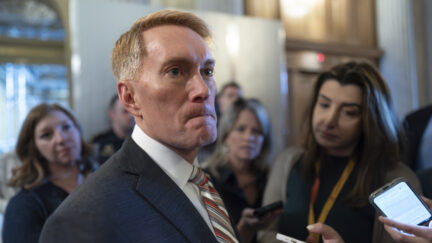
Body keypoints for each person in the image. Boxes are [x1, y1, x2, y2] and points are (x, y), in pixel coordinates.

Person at [40, 10, 241, 243]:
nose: (204, 90)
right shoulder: (83, 219)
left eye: (207, 71)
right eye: (175, 71)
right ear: (130, 97)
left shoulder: (203, 182)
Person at [259, 61, 420, 243]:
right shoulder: (288, 161)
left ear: (371, 120)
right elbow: (264, 233)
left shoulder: (396, 179)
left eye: (349, 112)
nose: (329, 120)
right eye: (324, 105)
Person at [2, 104, 96, 243]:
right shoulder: (24, 205)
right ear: (33, 147)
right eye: (46, 135)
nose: (61, 139)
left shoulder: (106, 177)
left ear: (77, 130)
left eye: (66, 127)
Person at [203, 98, 278, 243]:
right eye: (241, 129)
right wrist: (245, 227)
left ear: (264, 140)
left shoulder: (270, 177)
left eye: (256, 131)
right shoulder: (206, 180)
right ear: (225, 136)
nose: (249, 138)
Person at [91, 94, 134, 165]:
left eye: (132, 111)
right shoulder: (99, 143)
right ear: (112, 115)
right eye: (125, 111)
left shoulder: (141, 140)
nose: (131, 116)